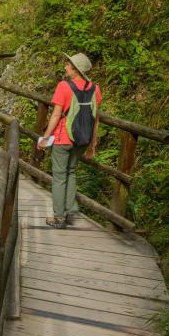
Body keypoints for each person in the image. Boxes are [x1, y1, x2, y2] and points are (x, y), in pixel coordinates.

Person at [36, 53, 101, 229]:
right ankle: (71, 210)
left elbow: (57, 114)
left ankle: (58, 217)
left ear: (75, 69)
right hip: (82, 139)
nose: (65, 66)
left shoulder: (64, 86)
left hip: (63, 137)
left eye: (68, 64)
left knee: (59, 177)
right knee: (71, 172)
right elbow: (96, 119)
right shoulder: (95, 88)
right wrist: (92, 145)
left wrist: (45, 137)